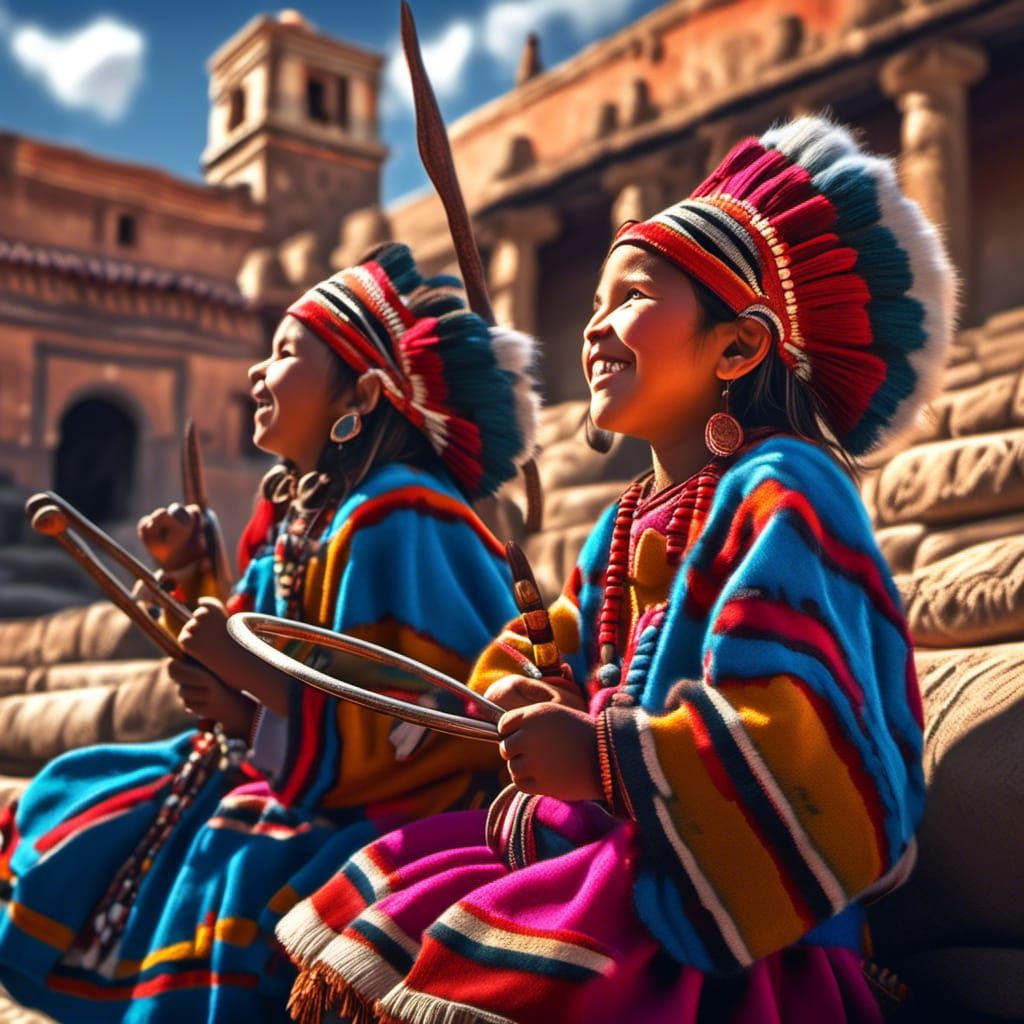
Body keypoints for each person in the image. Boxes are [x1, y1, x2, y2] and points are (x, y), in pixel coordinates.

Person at [277, 116, 954, 1024]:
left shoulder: (785, 489)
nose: (594, 327)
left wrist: (603, 756)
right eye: (593, 303)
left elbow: (807, 733)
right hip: (607, 849)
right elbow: (554, 646)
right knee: (382, 898)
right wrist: (520, 685)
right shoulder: (622, 519)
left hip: (725, 916)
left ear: (739, 347)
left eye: (632, 295)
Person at [0, 242, 539, 1022]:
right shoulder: (305, 516)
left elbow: (417, 719)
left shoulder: (401, 518)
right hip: (291, 768)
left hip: (391, 797)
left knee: (236, 862)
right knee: (75, 792)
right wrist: (194, 579)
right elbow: (244, 640)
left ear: (361, 393)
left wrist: (243, 693)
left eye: (285, 353)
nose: (256, 372)